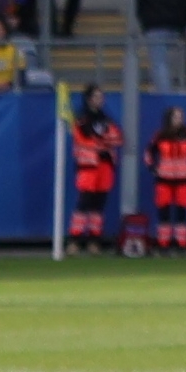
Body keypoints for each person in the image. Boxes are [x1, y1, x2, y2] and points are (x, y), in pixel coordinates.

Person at [68, 86, 122, 252]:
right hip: (88, 165)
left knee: (99, 204)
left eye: (101, 96)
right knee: (84, 202)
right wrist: (103, 143)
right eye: (97, 96)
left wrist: (101, 143)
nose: (100, 99)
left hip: (105, 166)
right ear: (89, 99)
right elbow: (82, 140)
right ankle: (74, 240)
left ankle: (94, 240)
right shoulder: (81, 119)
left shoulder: (106, 119)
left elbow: (117, 138)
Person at [147, 107, 186, 252]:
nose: (179, 120)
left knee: (182, 211)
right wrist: (153, 168)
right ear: (169, 118)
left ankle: (181, 244)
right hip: (163, 178)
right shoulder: (160, 135)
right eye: (176, 117)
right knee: (164, 211)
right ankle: (163, 243)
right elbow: (148, 152)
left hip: (183, 178)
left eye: (181, 117)